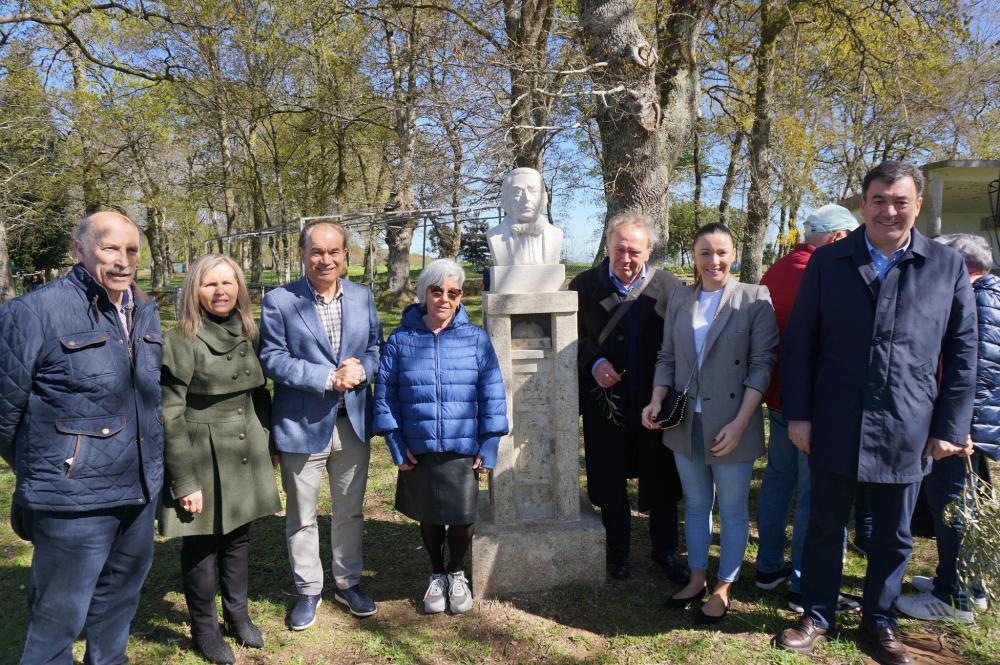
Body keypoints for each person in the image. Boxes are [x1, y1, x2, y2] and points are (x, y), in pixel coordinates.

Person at [776, 161, 977, 665]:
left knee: (894, 535)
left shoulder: (944, 265)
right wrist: (798, 416)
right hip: (835, 419)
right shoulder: (829, 262)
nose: (889, 210)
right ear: (863, 205)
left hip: (909, 423)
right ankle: (817, 612)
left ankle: (879, 621)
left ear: (917, 204)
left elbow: (963, 350)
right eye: (879, 200)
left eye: (900, 201)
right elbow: (799, 343)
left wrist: (950, 428)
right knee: (825, 524)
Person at [0, 211, 164, 664]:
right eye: (110, 248)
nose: (123, 261)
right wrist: (59, 464)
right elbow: (4, 414)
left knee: (116, 611)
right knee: (57, 622)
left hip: (138, 490)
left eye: (132, 250)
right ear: (80, 250)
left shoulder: (145, 309)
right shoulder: (32, 313)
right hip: (72, 501)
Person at [642, 222, 779, 624]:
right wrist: (655, 399)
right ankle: (697, 577)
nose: (713, 260)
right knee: (697, 505)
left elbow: (761, 366)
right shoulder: (680, 300)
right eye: (705, 252)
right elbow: (666, 356)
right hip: (685, 422)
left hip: (732, 422)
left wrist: (740, 424)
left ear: (733, 254)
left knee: (734, 510)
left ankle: (724, 585)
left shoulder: (754, 298)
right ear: (694, 256)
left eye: (721, 252)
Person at [258, 221, 383, 630]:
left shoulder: (363, 297)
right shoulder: (280, 301)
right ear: (302, 254)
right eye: (316, 251)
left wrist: (362, 368)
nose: (325, 259)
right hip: (301, 424)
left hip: (352, 423)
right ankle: (308, 589)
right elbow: (272, 358)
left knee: (349, 511)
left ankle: (348, 582)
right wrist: (327, 377)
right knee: (302, 515)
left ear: (346, 254)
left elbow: (375, 348)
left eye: (334, 252)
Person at [158, 254, 282, 663]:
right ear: (195, 289)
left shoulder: (249, 331)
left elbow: (259, 393)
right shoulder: (180, 339)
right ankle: (205, 629)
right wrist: (184, 481)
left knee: (239, 539)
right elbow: (170, 414)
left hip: (243, 448)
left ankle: (237, 615)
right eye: (210, 284)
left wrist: (269, 442)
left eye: (228, 283)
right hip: (199, 450)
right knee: (201, 545)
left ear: (240, 289)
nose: (221, 291)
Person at [373, 259, 508, 614]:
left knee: (463, 517)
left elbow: (491, 391)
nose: (445, 298)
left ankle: (457, 572)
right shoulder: (401, 340)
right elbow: (385, 394)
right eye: (437, 291)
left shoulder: (476, 338)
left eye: (453, 292)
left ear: (461, 296)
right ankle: (436, 573)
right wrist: (396, 444)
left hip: (462, 444)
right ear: (424, 294)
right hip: (419, 446)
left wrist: (490, 442)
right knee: (430, 515)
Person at [753, 204, 861, 612]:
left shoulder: (776, 269)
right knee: (813, 494)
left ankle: (767, 569)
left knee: (778, 482)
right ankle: (803, 582)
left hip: (777, 394)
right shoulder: (827, 272)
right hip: (813, 403)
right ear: (835, 238)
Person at [569, 212, 687, 583]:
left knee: (662, 478)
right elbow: (570, 338)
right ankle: (617, 550)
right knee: (609, 477)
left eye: (634, 251)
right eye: (619, 249)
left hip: (656, 401)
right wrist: (594, 361)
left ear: (648, 251)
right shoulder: (584, 285)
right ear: (607, 247)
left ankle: (664, 550)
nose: (626, 258)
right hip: (606, 403)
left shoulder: (669, 287)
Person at [895, 233, 996, 623]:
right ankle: (969, 585)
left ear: (961, 267)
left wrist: (958, 430)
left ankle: (953, 598)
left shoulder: (976, 300)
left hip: (961, 433)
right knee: (967, 505)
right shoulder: (992, 293)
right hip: (976, 429)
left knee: (953, 507)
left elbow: (976, 371)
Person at [487, 167, 564, 265]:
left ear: (544, 198)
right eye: (517, 191)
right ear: (505, 200)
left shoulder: (556, 234)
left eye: (533, 190)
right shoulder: (494, 235)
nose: (526, 198)